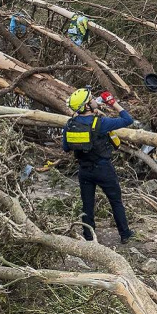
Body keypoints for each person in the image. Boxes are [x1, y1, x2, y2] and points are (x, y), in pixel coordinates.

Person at [62, 87, 135, 243]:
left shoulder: (69, 124)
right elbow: (128, 119)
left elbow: (66, 148)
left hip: (84, 170)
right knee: (115, 201)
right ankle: (125, 234)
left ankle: (89, 237)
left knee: (87, 205)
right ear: (87, 105)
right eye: (91, 98)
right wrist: (113, 103)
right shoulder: (101, 123)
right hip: (103, 169)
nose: (95, 100)